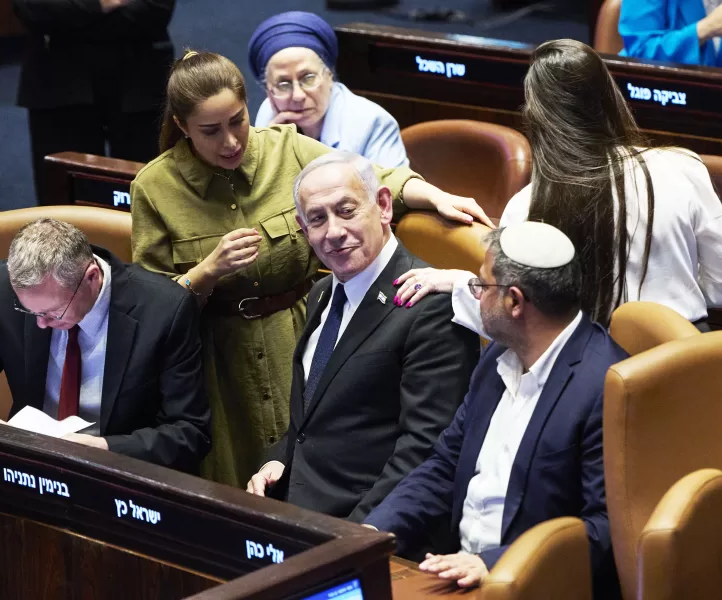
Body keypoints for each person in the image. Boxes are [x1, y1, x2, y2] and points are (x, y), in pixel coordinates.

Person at [130, 50, 492, 488]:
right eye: (211, 131)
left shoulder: (286, 147)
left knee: (310, 457)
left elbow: (370, 181)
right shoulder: (155, 187)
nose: (230, 142)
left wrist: (434, 196)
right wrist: (207, 272)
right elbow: (149, 306)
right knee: (236, 482)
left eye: (238, 121)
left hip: (297, 334)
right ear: (183, 126)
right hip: (219, 362)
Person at [393, 39, 722, 332]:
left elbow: (512, 318)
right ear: (610, 98)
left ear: (536, 117)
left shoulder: (526, 207)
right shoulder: (682, 168)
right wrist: (674, 302)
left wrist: (461, 284)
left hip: (583, 378)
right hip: (685, 361)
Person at [364, 222, 626, 597]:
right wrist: (374, 532)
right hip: (454, 571)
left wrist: (493, 563)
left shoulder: (606, 386)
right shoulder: (498, 357)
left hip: (532, 586)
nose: (476, 295)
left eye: (482, 286)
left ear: (514, 302)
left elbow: (607, 529)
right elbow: (445, 464)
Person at [245, 151, 479, 522]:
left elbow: (425, 451)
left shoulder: (430, 306)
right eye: (317, 219)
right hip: (300, 512)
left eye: (346, 210)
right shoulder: (322, 293)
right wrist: (278, 460)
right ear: (303, 229)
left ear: (383, 206)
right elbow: (317, 417)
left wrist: (355, 535)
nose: (334, 232)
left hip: (370, 525)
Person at [0, 218, 210, 474]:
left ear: (92, 277)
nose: (41, 324)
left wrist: (102, 448)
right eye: (30, 311)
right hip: (27, 469)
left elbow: (189, 433)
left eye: (53, 312)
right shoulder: (3, 289)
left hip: (117, 475)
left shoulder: (164, 309)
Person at [13, 0, 175, 204]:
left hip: (139, 77)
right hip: (58, 83)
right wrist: (100, 5)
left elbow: (157, 9)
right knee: (64, 200)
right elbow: (33, 9)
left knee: (151, 195)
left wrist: (73, 21)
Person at [248, 11, 408, 168]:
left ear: (329, 75)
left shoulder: (374, 123)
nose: (298, 95)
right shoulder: (269, 115)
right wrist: (271, 154)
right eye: (283, 84)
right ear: (268, 91)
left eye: (308, 78)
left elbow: (393, 186)